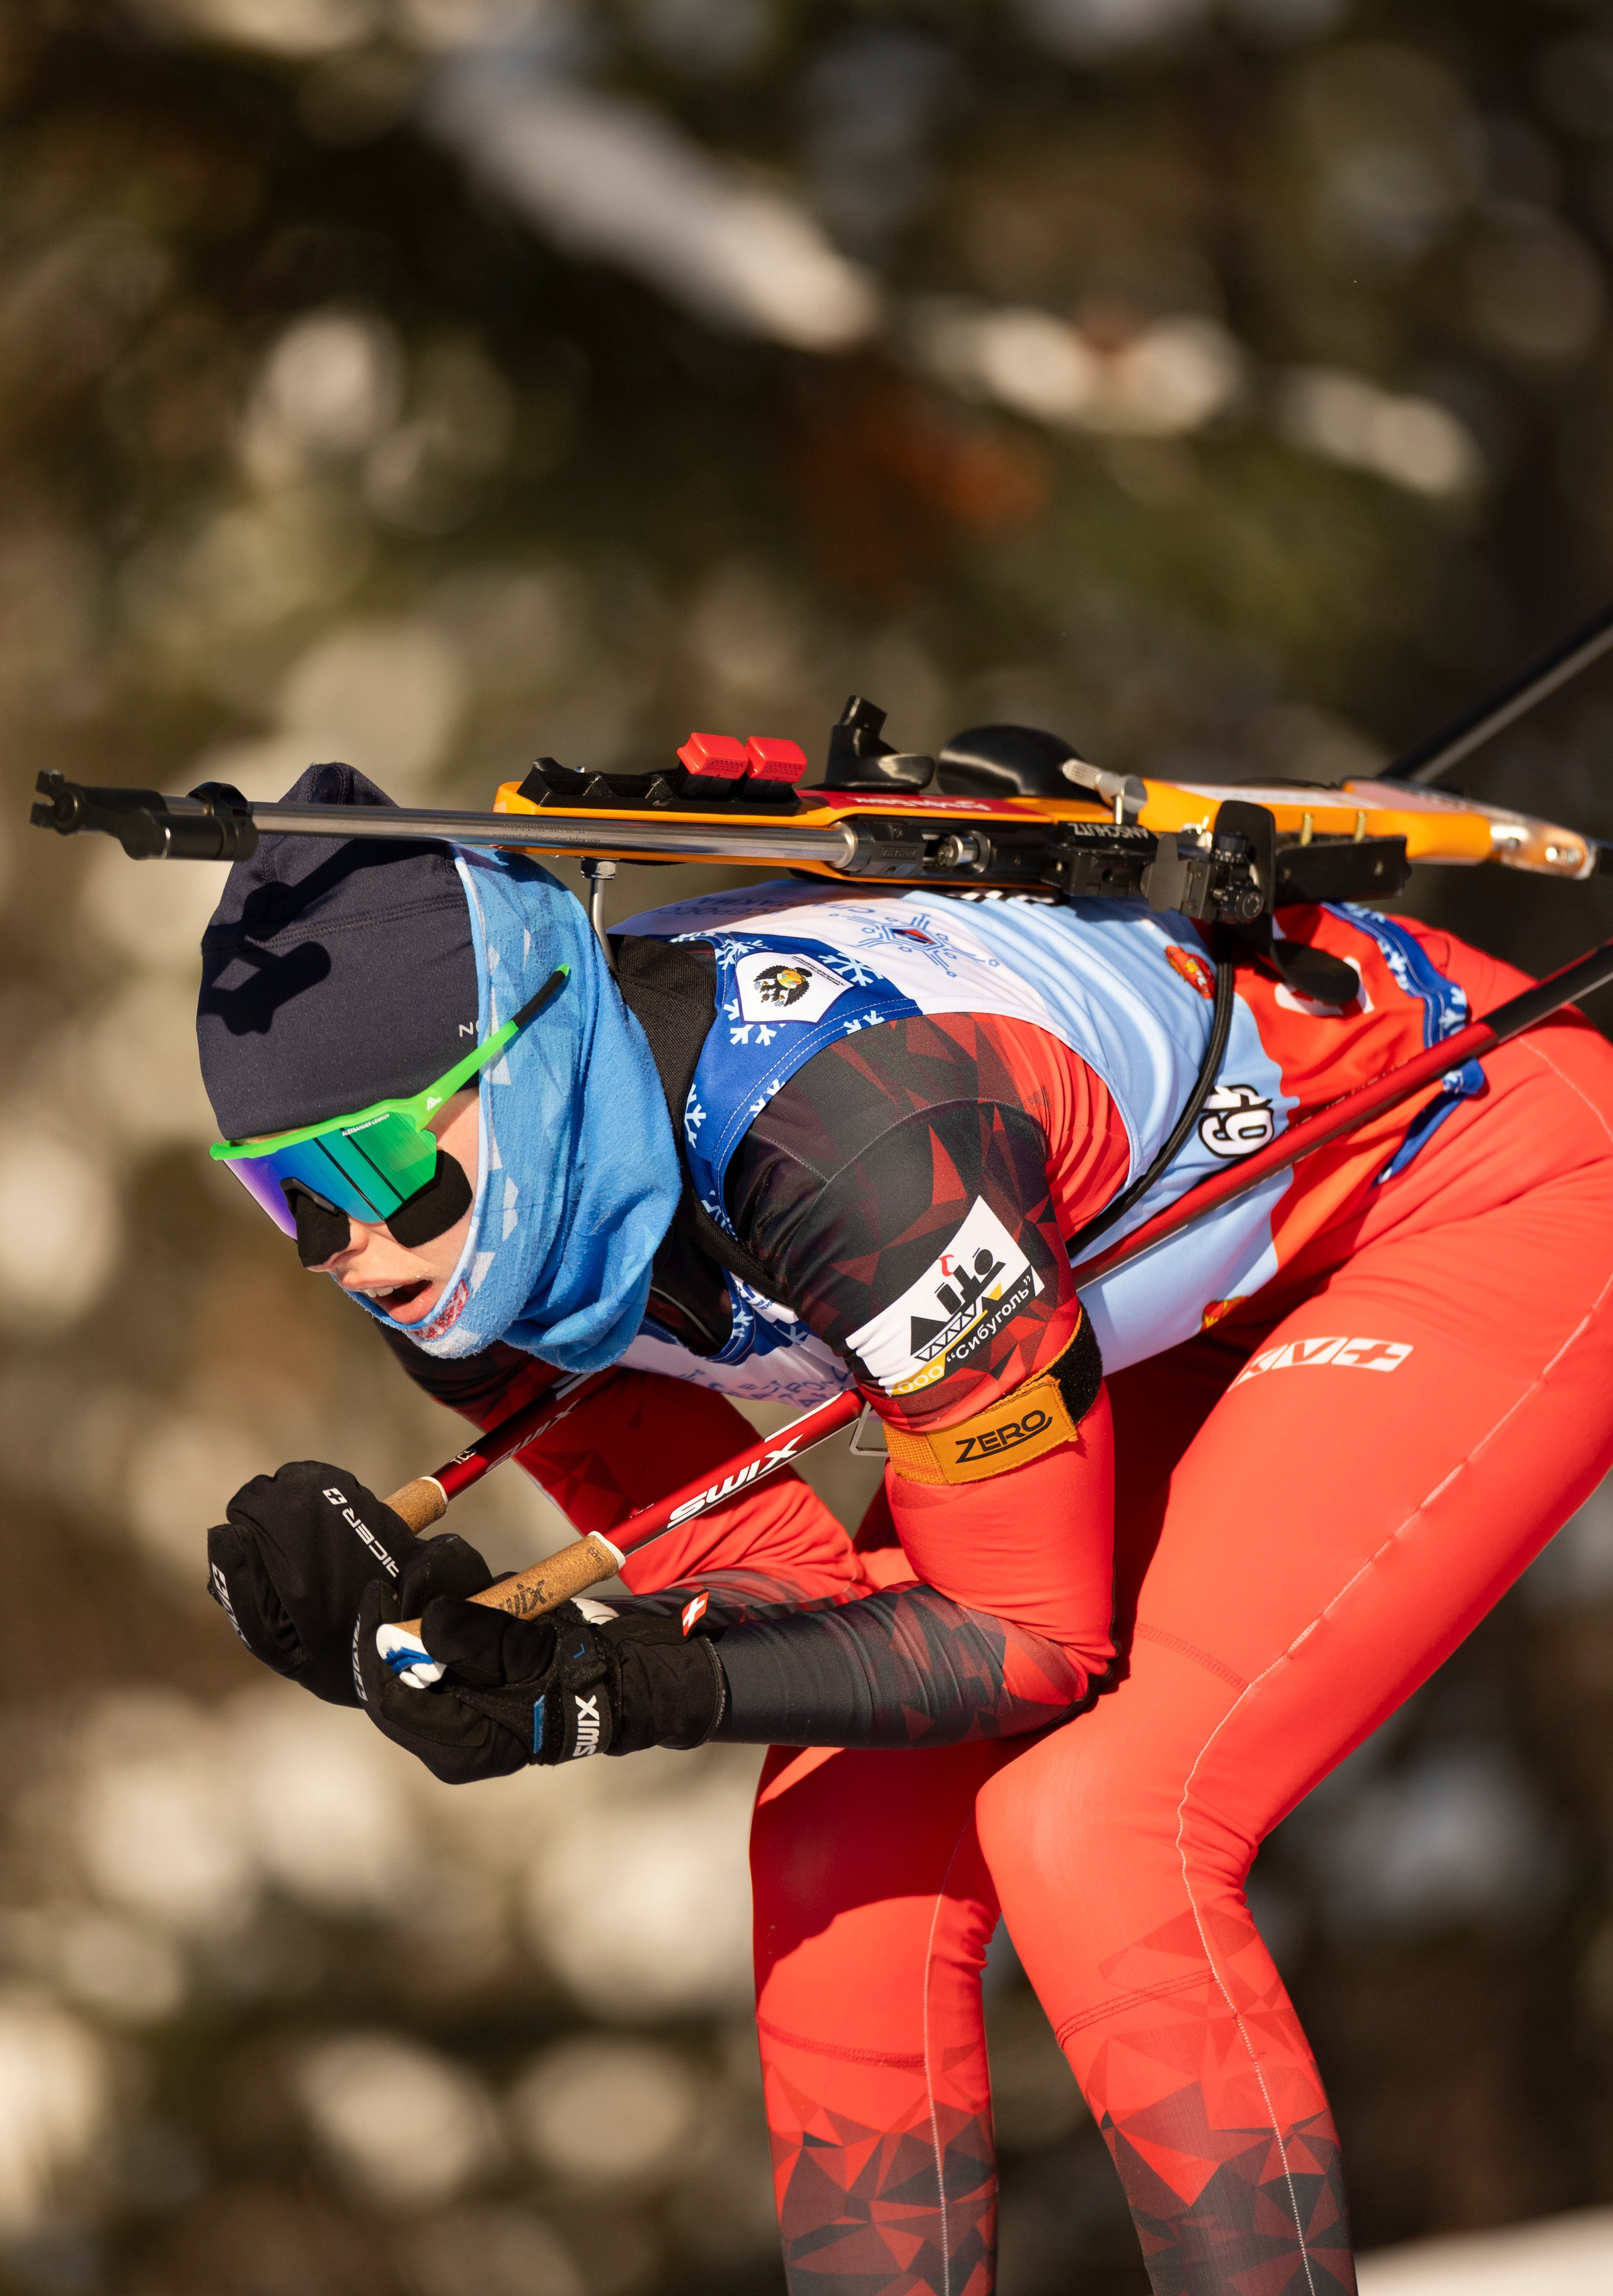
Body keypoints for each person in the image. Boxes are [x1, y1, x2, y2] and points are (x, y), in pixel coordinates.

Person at [198, 761, 1613, 2296]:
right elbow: (781, 1589)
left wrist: (600, 1690)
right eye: (285, 1196)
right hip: (1155, 1300)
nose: (347, 1250)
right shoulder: (475, 1262)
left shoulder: (852, 1151)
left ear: (528, 1057)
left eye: (373, 1163)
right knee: (833, 1841)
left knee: (1098, 1825)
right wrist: (443, 1644)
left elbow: (1023, 1647)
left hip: (1474, 1184)